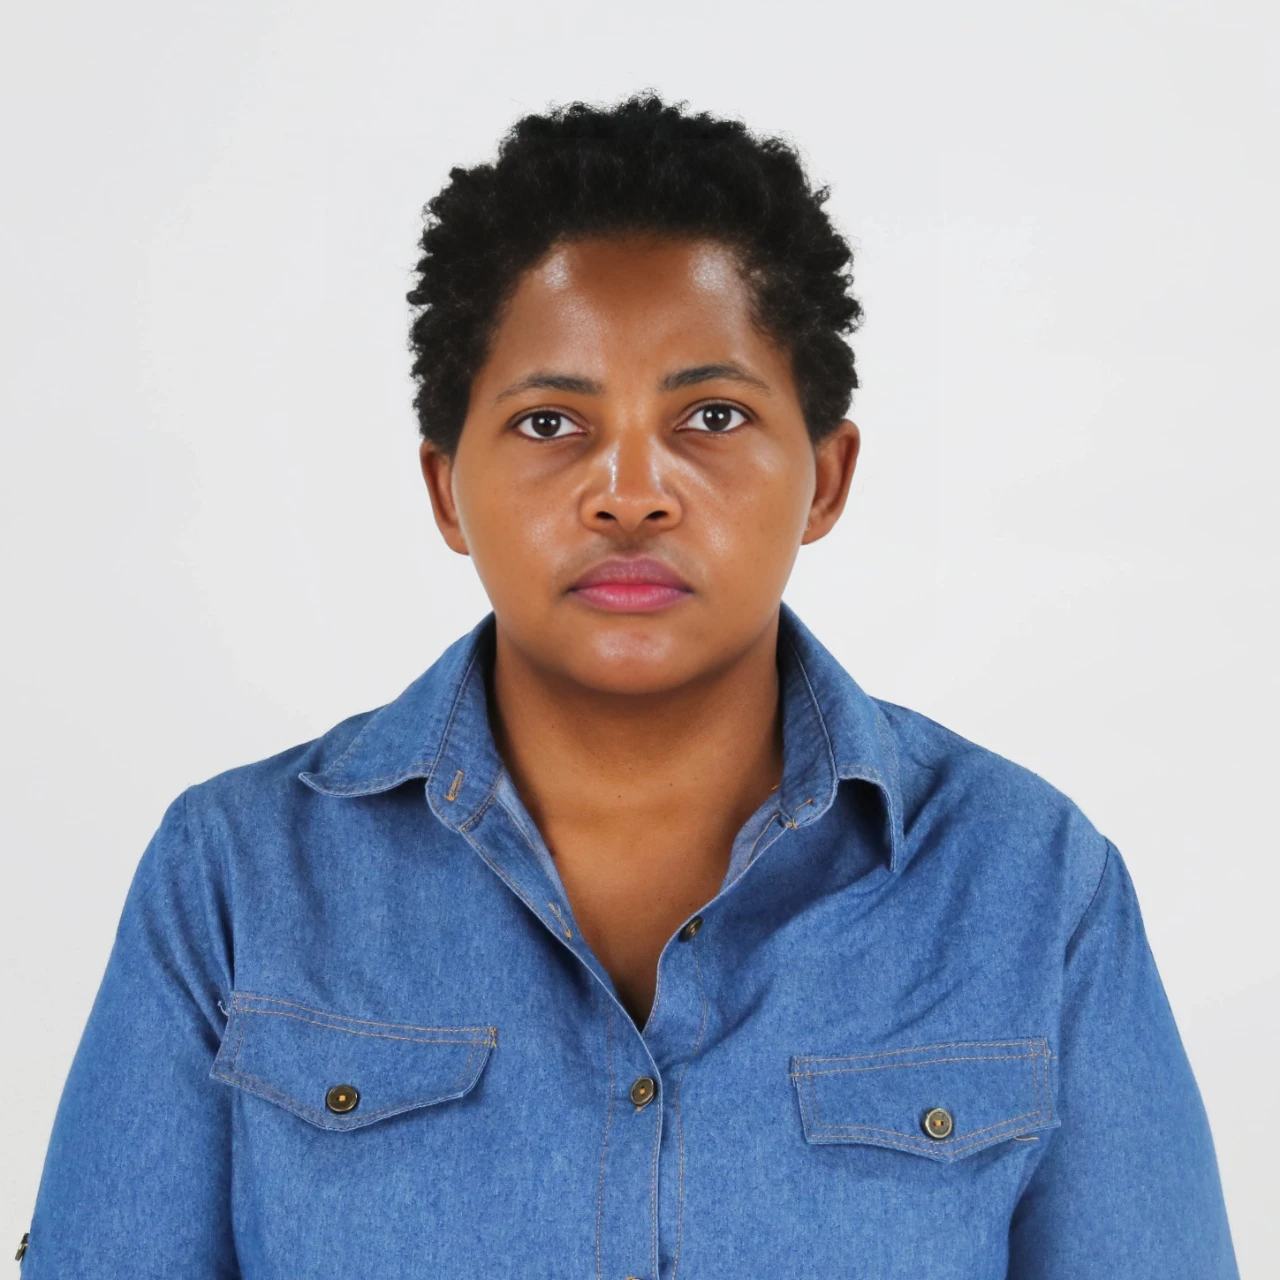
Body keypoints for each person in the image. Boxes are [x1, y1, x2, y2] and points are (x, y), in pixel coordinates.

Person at [17, 92, 1238, 1278]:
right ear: (446, 489)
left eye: (711, 414)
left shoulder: (1030, 883)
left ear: (824, 478)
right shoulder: (233, 878)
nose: (631, 494)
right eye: (551, 423)